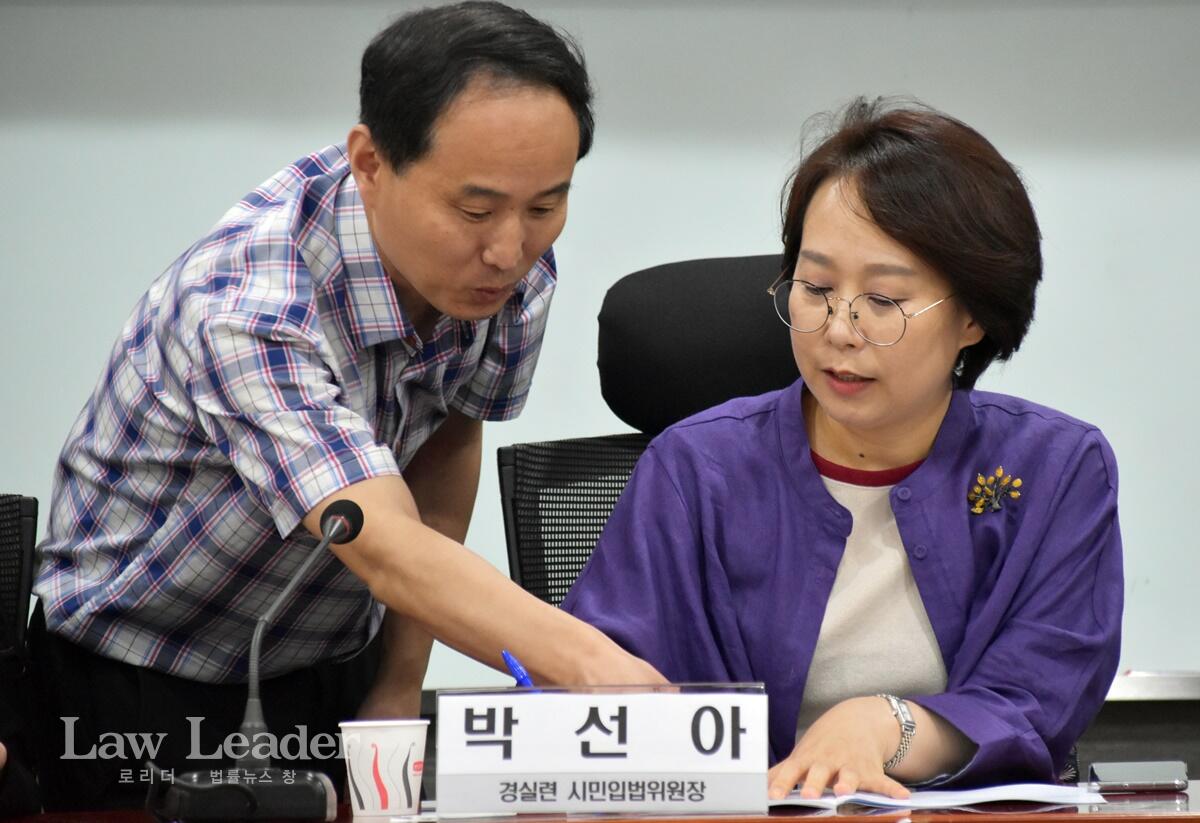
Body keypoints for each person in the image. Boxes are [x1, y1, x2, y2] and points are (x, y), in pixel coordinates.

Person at [31, 1, 663, 810]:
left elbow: (447, 441)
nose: (509, 250)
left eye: (545, 206)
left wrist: (399, 682)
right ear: (370, 161)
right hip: (136, 688)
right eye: (475, 210)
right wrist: (587, 663)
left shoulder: (507, 275)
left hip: (329, 671)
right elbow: (382, 537)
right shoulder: (248, 303)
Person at [563, 97, 1122, 797]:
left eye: (883, 300)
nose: (838, 329)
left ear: (973, 316)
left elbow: (1039, 696)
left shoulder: (1056, 470)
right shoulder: (694, 470)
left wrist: (886, 727)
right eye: (816, 287)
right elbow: (600, 687)